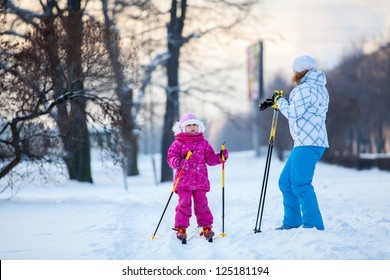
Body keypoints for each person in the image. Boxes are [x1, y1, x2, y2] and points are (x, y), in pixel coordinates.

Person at [259, 55, 329, 230]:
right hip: (310, 142)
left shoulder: (304, 89)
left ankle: (313, 225)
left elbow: (293, 113)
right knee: (285, 182)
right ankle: (293, 221)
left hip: (307, 142)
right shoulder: (319, 88)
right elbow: (300, 111)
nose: (293, 74)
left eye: (294, 71)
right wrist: (276, 102)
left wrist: (279, 101)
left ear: (300, 71)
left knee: (301, 184)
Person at [167, 113, 229, 240]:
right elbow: (171, 158)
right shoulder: (178, 144)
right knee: (184, 204)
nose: (192, 127)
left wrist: (221, 157)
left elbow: (211, 159)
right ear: (183, 128)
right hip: (183, 182)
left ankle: (206, 226)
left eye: (195, 124)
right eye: (189, 125)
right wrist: (179, 162)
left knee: (202, 204)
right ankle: (181, 228)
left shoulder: (203, 143)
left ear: (199, 127)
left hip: (200, 181)